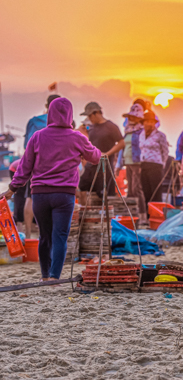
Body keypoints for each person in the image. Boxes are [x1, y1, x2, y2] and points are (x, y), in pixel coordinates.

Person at [1, 98, 101, 281]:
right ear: (70, 115)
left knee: (44, 236)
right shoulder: (77, 137)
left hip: (40, 194)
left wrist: (12, 189)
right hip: (65, 195)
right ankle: (55, 277)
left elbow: (24, 167)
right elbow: (95, 157)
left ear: (50, 113)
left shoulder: (37, 136)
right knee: (60, 236)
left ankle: (45, 277)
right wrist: (86, 139)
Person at [22, 94, 61, 237]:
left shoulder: (34, 121)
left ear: (46, 106)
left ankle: (27, 234)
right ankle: (47, 232)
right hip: (56, 165)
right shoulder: (64, 122)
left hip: (36, 163)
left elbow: (27, 145)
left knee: (30, 197)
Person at [78, 102, 124, 198]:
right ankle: (84, 211)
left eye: (90, 116)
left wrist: (107, 153)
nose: (90, 119)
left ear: (96, 113)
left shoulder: (111, 126)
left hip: (105, 166)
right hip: (91, 165)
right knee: (82, 186)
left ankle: (103, 211)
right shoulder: (91, 127)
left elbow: (121, 143)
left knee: (103, 193)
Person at [116, 103, 146, 223]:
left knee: (137, 189)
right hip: (127, 162)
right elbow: (122, 148)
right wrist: (118, 165)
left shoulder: (142, 132)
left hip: (137, 163)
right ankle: (132, 216)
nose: (132, 119)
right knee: (130, 190)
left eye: (135, 117)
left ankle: (143, 215)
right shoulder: (127, 131)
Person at [139, 109, 169, 205]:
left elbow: (165, 151)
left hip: (155, 165)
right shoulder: (141, 135)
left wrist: (162, 164)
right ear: (143, 123)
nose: (149, 124)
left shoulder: (160, 135)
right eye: (147, 121)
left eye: (151, 122)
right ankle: (148, 217)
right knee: (146, 192)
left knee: (156, 192)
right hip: (144, 164)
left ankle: (157, 216)